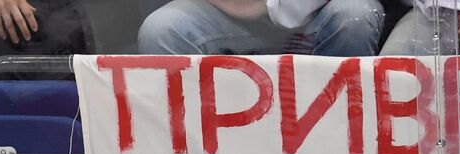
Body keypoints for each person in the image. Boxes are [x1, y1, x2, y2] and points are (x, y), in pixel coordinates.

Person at [138, 0, 389, 58]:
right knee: (162, 29)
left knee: (354, 16)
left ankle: (338, 142)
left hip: (321, 12)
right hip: (228, 10)